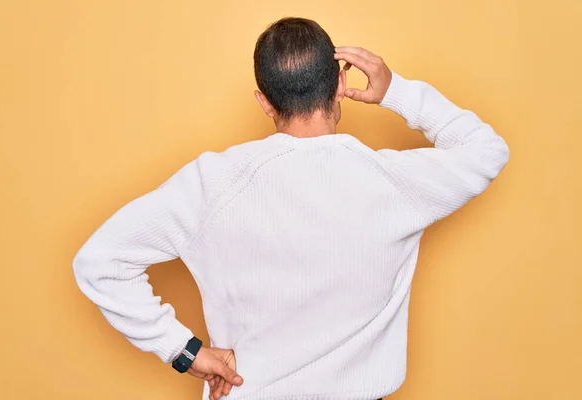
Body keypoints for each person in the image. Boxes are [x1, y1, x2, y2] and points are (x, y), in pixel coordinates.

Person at [72, 16, 509, 400]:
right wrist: (397, 92)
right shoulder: (393, 181)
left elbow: (100, 262)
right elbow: (486, 150)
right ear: (340, 84)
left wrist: (184, 351)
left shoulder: (212, 183)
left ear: (264, 101)